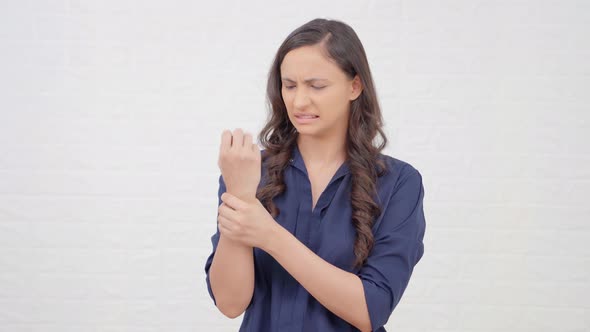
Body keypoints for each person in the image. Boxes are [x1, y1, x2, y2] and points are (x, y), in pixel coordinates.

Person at [204, 18, 426, 332]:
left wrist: (269, 234)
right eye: (289, 85)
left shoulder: (399, 183)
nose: (298, 101)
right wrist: (240, 198)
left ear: (354, 86)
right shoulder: (251, 172)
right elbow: (230, 303)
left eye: (316, 86)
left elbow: (370, 309)